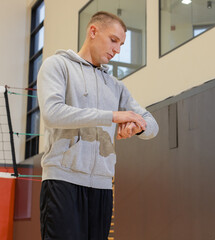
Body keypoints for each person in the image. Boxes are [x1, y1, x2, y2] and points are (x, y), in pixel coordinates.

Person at [37, 11, 159, 240]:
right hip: (63, 181)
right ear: (93, 31)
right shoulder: (57, 65)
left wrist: (136, 127)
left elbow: (152, 125)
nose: (117, 50)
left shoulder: (115, 86)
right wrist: (112, 116)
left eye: (121, 44)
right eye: (113, 40)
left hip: (102, 187)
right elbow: (52, 114)